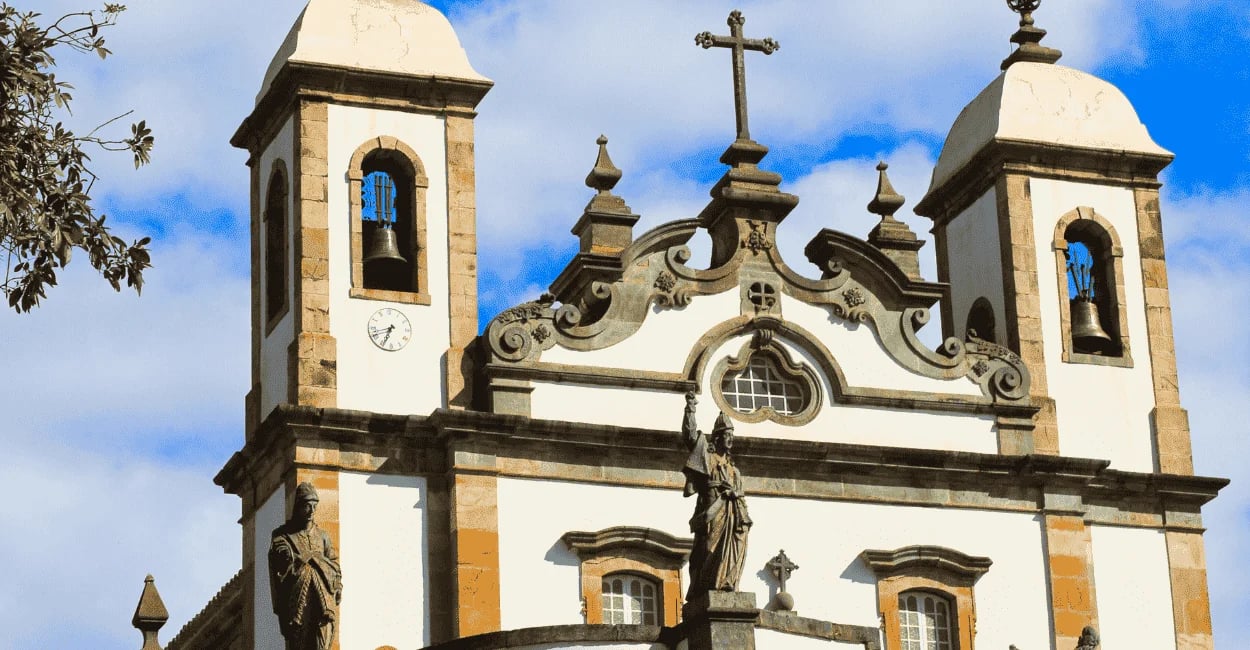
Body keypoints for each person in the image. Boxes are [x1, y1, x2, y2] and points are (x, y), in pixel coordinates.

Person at [681, 391, 752, 601]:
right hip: (711, 510)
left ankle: (726, 582)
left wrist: (737, 499)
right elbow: (690, 436)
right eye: (727, 435)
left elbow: (741, 496)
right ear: (719, 437)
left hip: (732, 513)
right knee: (706, 550)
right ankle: (705, 587)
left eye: (732, 436)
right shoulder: (708, 456)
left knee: (733, 547)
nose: (730, 439)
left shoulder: (733, 470)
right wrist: (690, 409)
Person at [269, 482, 343, 650]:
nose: (311, 511)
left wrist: (337, 585)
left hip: (324, 599)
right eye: (307, 506)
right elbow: (282, 561)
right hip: (298, 602)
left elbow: (334, 564)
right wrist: (306, 559)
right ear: (298, 507)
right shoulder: (283, 536)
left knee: (322, 641)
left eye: (314, 506)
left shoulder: (322, 536)